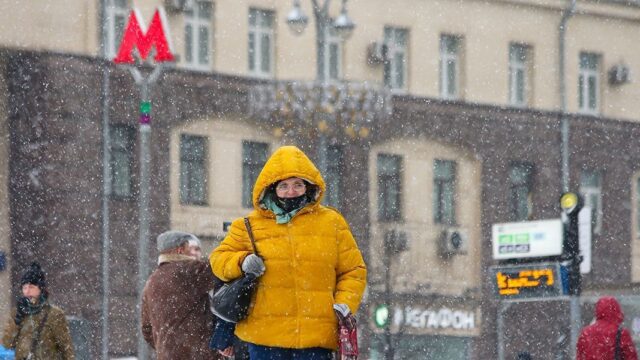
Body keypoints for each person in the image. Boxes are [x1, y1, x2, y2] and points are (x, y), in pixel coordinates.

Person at [210, 145, 367, 360]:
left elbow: (354, 270)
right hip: (264, 338)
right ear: (271, 189)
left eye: (297, 185)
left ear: (309, 187)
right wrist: (242, 261)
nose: (291, 191)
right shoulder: (248, 226)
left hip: (316, 338)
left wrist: (343, 304)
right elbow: (218, 260)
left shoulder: (332, 223)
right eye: (283, 186)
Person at [141, 230, 222, 360]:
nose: (198, 254)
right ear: (180, 250)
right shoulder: (188, 270)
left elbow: (147, 329)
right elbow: (223, 268)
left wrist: (168, 347)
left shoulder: (151, 281)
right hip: (199, 355)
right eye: (193, 249)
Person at [2, 262, 75, 359]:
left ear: (41, 289)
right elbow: (7, 344)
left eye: (31, 287)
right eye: (24, 287)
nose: (27, 291)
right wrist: (17, 321)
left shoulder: (54, 314)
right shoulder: (17, 312)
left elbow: (66, 348)